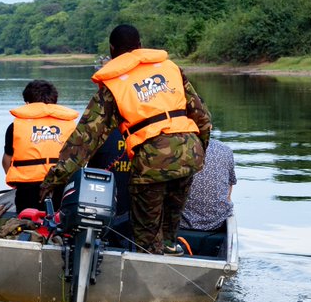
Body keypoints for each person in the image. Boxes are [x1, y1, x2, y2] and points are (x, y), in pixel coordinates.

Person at [39, 24, 212, 254]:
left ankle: (149, 272)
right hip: (190, 155)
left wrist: (53, 180)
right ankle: (170, 256)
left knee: (147, 239)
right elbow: (203, 118)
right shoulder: (170, 68)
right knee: (169, 232)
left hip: (152, 163)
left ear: (112, 50)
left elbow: (84, 140)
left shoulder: (114, 83)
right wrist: (199, 151)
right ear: (140, 46)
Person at [2, 79, 80, 214]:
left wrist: (17, 181)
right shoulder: (71, 125)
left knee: (27, 224)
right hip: (62, 186)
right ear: (55, 102)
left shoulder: (15, 127)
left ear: (27, 103)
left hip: (27, 189)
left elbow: (6, 161)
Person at [180, 137, 235, 231]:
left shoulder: (178, 148)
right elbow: (231, 184)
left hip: (183, 223)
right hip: (218, 222)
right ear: (210, 127)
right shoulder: (225, 149)